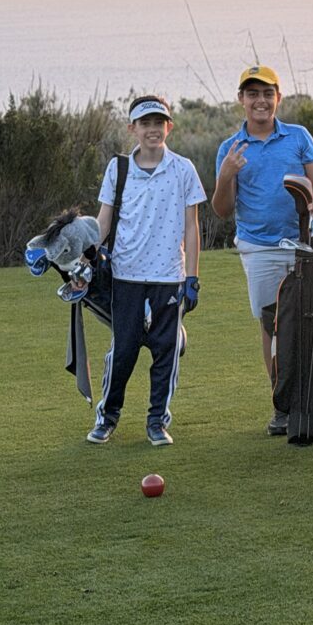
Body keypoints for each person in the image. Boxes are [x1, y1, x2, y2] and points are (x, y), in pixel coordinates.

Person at [211, 65, 313, 437]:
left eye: (267, 93)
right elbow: (221, 210)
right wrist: (226, 175)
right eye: (252, 94)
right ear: (242, 100)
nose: (260, 101)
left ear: (278, 98)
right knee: (273, 324)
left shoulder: (298, 136)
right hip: (259, 248)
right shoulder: (230, 149)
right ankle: (283, 405)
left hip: (307, 245)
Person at [86, 95, 205, 446]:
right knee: (123, 351)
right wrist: (87, 258)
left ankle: (157, 421)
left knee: (166, 353)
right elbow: (104, 220)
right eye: (145, 123)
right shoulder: (118, 168)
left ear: (169, 126)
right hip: (126, 275)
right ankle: (107, 418)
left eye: (159, 123)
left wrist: (192, 277)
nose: (153, 129)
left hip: (169, 275)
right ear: (132, 129)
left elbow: (191, 228)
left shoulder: (183, 169)